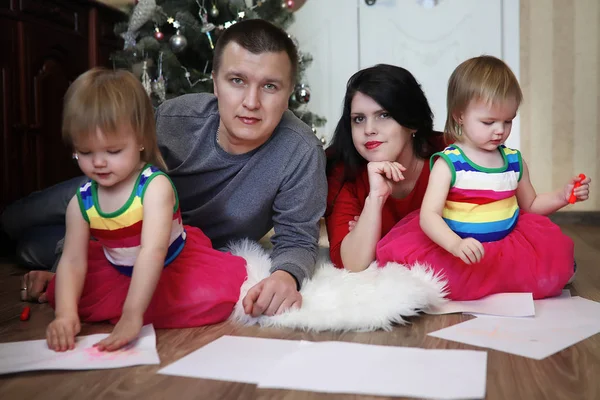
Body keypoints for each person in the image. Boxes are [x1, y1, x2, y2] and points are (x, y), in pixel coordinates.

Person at [3, 19, 327, 317]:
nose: (251, 102)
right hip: (108, 202)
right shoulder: (175, 120)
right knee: (12, 220)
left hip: (162, 246)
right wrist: (65, 265)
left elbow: (298, 239)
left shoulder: (301, 152)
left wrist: (286, 276)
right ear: (215, 84)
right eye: (237, 80)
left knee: (29, 249)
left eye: (270, 86)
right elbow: (111, 188)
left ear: (288, 95)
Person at [45, 68, 248, 352]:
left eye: (113, 151)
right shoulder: (81, 202)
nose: (99, 163)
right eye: (86, 152)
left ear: (140, 140)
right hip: (118, 268)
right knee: (63, 292)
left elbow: (152, 252)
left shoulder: (153, 187)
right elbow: (73, 261)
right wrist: (65, 315)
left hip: (167, 264)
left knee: (211, 298)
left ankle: (135, 308)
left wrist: (132, 315)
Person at [376, 55, 591, 300]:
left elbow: (530, 205)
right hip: (457, 245)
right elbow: (429, 216)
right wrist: (455, 245)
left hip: (505, 244)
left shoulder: (513, 161)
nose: (500, 130)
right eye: (488, 122)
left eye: (507, 121)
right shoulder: (450, 163)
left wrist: (562, 196)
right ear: (460, 116)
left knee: (540, 273)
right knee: (439, 281)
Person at [325, 64, 445, 272]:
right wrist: (375, 199)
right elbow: (351, 264)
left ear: (412, 122)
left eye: (384, 115)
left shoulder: (450, 156)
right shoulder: (344, 172)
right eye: (359, 119)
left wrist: (371, 233)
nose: (369, 130)